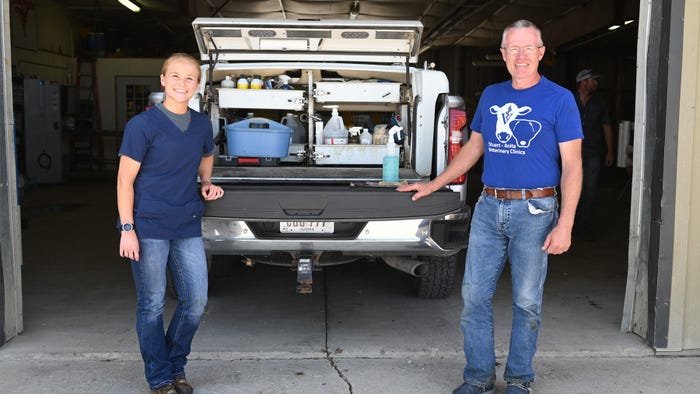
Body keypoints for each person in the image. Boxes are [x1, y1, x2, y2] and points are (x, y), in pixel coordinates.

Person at [398, 20, 583, 394]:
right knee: (474, 298)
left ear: (541, 53)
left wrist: (565, 223)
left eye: (528, 48)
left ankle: (519, 380)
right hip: (488, 207)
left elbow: (573, 165)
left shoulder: (560, 99)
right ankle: (479, 378)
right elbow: (473, 147)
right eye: (512, 49)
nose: (520, 56)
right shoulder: (493, 96)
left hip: (536, 210)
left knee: (527, 301)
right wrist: (435, 183)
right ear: (502, 54)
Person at [117, 52, 224, 394]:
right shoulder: (142, 126)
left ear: (198, 84)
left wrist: (206, 182)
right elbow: (124, 182)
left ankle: (175, 365)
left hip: (186, 221)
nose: (182, 83)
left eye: (190, 78)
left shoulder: (202, 124)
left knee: (195, 301)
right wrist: (127, 229)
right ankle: (160, 376)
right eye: (175, 76)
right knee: (152, 304)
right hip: (147, 226)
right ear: (163, 80)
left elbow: (207, 154)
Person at [573, 69, 615, 241]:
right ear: (584, 82)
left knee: (589, 190)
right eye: (593, 80)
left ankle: (585, 227)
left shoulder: (599, 103)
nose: (596, 84)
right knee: (570, 188)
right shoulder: (569, 100)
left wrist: (611, 151)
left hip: (592, 152)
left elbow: (606, 126)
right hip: (570, 153)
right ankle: (569, 224)